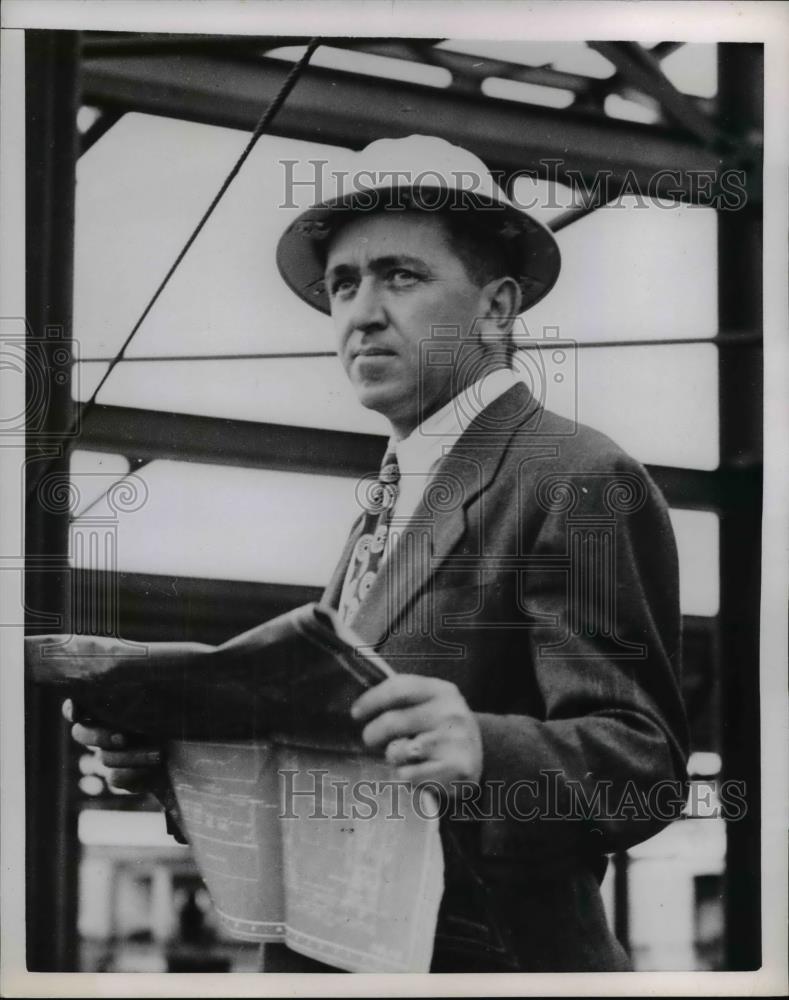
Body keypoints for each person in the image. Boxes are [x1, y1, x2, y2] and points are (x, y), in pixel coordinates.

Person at [66, 135, 689, 973]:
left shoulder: (573, 474)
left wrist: (482, 748)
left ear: (496, 310)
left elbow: (642, 766)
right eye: (342, 284)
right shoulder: (396, 499)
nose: (360, 312)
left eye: (400, 275)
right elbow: (339, 761)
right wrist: (176, 764)